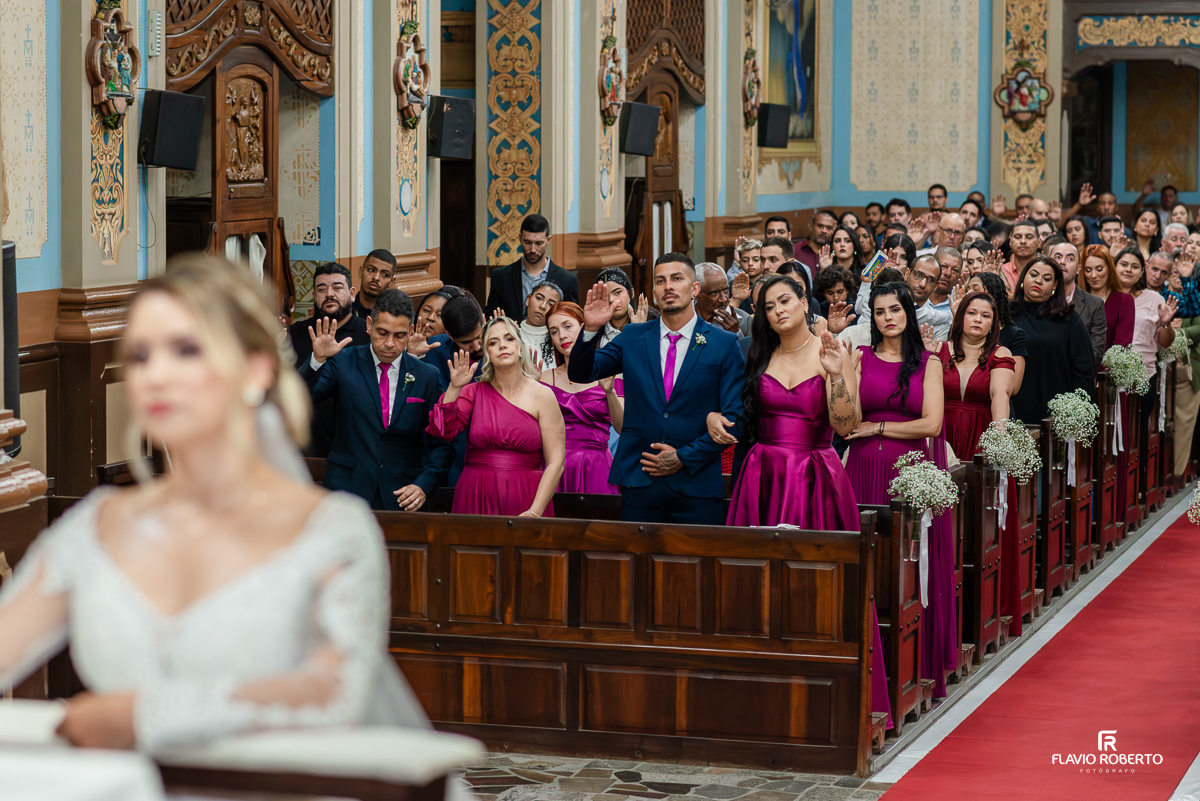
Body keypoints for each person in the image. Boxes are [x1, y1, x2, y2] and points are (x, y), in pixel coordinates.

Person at [0, 255, 437, 752]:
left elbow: (335, 691)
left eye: (186, 349)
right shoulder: (96, 526)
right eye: (141, 355)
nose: (156, 375)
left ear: (252, 369)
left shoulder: (332, 531)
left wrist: (146, 717)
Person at [568, 253, 746, 525]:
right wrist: (591, 328)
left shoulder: (723, 343)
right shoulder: (634, 337)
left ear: (694, 289)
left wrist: (682, 457)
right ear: (654, 293)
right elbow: (582, 372)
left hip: (696, 486)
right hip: (640, 482)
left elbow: (734, 420)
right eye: (661, 281)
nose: (668, 286)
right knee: (639, 565)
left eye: (677, 279)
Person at [843, 282, 952, 699]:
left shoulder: (929, 362)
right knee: (872, 565)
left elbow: (932, 424)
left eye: (895, 309)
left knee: (905, 566)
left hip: (909, 472)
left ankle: (912, 667)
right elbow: (849, 416)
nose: (888, 317)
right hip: (864, 467)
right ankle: (872, 670)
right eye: (880, 311)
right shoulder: (861, 357)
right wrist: (839, 373)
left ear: (909, 312)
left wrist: (881, 426)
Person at [302, 289, 452, 511]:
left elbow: (442, 442)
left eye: (399, 335)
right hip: (346, 494)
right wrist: (317, 359)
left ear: (410, 331)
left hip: (402, 497)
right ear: (369, 324)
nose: (389, 343)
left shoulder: (427, 375)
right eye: (382, 332)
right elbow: (301, 398)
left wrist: (423, 485)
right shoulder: (343, 362)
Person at [427, 316, 565, 517]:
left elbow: (556, 462)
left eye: (509, 339)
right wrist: (454, 388)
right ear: (487, 353)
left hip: (527, 496)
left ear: (520, 346)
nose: (502, 345)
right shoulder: (472, 392)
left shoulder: (543, 395)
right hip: (474, 494)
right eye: (493, 342)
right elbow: (444, 431)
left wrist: (535, 511)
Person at [287, 262, 371, 456]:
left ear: (352, 293)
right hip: (308, 448)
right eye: (322, 289)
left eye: (337, 287)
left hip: (356, 447)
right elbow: (288, 390)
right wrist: (316, 359)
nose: (329, 294)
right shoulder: (297, 333)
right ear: (314, 296)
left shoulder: (368, 334)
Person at [542, 302, 624, 494]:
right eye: (554, 331)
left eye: (567, 326)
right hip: (555, 467)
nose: (561, 335)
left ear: (583, 326)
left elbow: (622, 427)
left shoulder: (610, 373)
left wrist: (610, 392)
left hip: (596, 466)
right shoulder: (545, 378)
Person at [1009, 257, 1095, 425]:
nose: (1038, 281)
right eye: (1033, 274)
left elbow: (1083, 369)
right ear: (1023, 278)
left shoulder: (1067, 318)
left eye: (1047, 279)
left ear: (1055, 286)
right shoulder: (1006, 314)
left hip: (1055, 412)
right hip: (1013, 406)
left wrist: (1080, 412)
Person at [937, 293, 1016, 459]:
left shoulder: (1000, 354)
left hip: (981, 434)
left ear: (993, 324)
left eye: (985, 315)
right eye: (971, 313)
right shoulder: (938, 350)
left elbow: (1000, 395)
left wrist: (998, 439)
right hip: (940, 434)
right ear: (960, 316)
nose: (978, 319)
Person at [1113, 247, 1177, 416]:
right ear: (1114, 266)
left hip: (1143, 376)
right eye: (1124, 264)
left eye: (1134, 266)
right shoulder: (1104, 296)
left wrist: (1165, 323)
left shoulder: (1155, 299)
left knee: (1137, 434)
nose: (1128, 269)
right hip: (1109, 377)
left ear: (1142, 271)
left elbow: (1165, 342)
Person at [483, 214, 579, 319]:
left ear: (548, 240)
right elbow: (490, 317)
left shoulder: (567, 280)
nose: (533, 249)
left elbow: (572, 320)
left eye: (539, 243)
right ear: (520, 238)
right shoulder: (501, 276)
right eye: (527, 242)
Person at [965, 271, 1028, 393]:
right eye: (968, 289)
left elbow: (1014, 387)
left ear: (992, 295)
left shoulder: (1014, 335)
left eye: (975, 289)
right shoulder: (966, 331)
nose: (968, 294)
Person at [1048, 240, 1107, 368]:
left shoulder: (1094, 305)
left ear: (1078, 269)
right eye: (1057, 257)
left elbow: (1095, 355)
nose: (1062, 262)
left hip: (1076, 379)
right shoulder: (1039, 299)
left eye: (1070, 259)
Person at [1080, 245, 1135, 348]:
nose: (1093, 275)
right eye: (1088, 270)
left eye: (1099, 269)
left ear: (1109, 269)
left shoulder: (1124, 300)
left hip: (1110, 363)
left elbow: (1122, 344)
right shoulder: (1076, 299)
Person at [594, 267, 648, 346]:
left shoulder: (652, 324)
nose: (611, 299)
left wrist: (639, 331)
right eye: (604, 296)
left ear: (631, 293)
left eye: (617, 293)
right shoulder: (594, 334)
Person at [697, 262, 752, 336]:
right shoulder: (683, 321)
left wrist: (736, 333)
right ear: (696, 293)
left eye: (726, 290)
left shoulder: (744, 320)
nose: (723, 299)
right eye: (714, 293)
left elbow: (751, 347)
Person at [518, 280, 562, 369]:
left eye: (550, 304)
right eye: (539, 298)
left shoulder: (559, 340)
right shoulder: (512, 335)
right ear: (528, 300)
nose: (542, 306)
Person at [350, 249, 397, 320]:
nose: (376, 278)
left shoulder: (397, 315)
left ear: (391, 282)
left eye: (384, 275)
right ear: (361, 272)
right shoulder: (345, 310)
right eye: (371, 270)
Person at [794, 210, 837, 280]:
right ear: (811, 226)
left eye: (829, 228)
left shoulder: (835, 252)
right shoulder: (795, 250)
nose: (824, 231)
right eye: (820, 226)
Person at [1002, 220, 1040, 296]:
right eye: (1017, 237)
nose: (1023, 241)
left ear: (1039, 243)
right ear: (1010, 242)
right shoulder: (1001, 271)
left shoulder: (1046, 271)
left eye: (1029, 237)